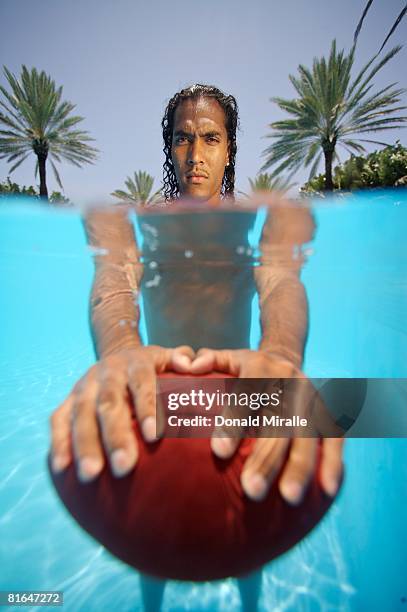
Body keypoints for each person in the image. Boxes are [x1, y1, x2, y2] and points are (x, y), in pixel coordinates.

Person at [50, 83, 343, 506]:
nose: (195, 155)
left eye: (210, 138)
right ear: (169, 148)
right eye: (182, 139)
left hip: (242, 398)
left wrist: (281, 356)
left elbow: (279, 279)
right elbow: (116, 271)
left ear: (229, 148)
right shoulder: (134, 223)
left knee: (250, 521)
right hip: (161, 403)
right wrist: (119, 348)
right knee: (153, 523)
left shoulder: (264, 223)